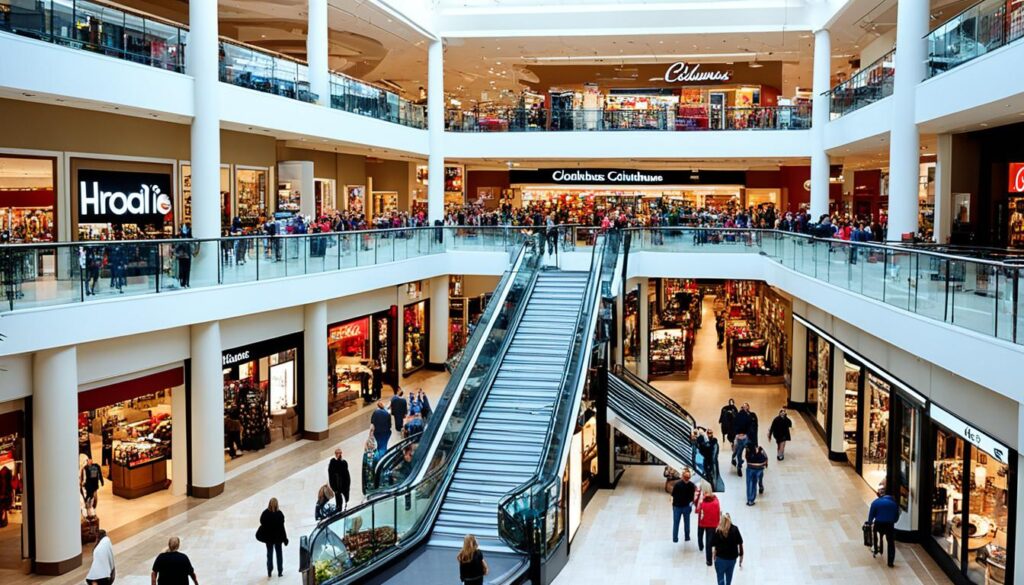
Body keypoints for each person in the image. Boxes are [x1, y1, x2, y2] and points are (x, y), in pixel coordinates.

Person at [867, 487, 901, 567]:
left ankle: (876, 547)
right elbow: (896, 517)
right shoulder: (894, 504)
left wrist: (870, 523)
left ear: (878, 495)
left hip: (879, 523)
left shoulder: (875, 502)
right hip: (889, 525)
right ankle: (890, 562)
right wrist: (893, 521)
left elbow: (871, 516)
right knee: (890, 542)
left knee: (875, 532)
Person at [257, 497, 288, 578]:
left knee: (269, 554)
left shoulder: (265, 514)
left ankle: (269, 571)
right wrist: (285, 539)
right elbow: (282, 528)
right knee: (279, 555)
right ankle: (280, 572)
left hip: (269, 539)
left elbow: (262, 523)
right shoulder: (279, 514)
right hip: (278, 539)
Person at [711, 513, 743, 585]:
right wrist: (741, 557)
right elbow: (740, 543)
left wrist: (713, 556)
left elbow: (713, 544)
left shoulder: (718, 531)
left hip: (720, 558)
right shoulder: (735, 529)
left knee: (720, 577)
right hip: (732, 559)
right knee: (729, 576)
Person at [696, 480, 721, 567]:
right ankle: (709, 561)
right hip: (712, 525)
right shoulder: (716, 501)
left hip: (702, 522)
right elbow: (718, 513)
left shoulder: (702, 502)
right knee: (709, 543)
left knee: (700, 535)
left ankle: (700, 546)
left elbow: (698, 510)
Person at [670, 468, 697, 544]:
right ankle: (687, 537)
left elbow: (673, 495)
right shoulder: (692, 485)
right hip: (686, 507)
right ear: (689, 477)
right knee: (687, 523)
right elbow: (692, 497)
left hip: (677, 507)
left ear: (682, 476)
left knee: (676, 523)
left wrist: (673, 504)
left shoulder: (677, 485)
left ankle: (675, 538)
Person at [731, 404, 752, 477]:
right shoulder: (743, 416)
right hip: (741, 437)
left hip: (743, 437)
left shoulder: (748, 416)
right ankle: (738, 464)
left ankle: (738, 464)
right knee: (738, 451)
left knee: (738, 451)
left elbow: (734, 426)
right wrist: (738, 435)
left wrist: (740, 435)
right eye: (743, 407)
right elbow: (734, 425)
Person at [174, 224, 193, 288]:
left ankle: (185, 282)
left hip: (186, 255)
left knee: (185, 269)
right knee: (183, 269)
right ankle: (184, 283)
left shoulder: (184, 237)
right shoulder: (180, 238)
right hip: (183, 255)